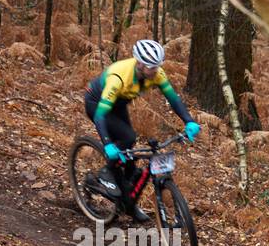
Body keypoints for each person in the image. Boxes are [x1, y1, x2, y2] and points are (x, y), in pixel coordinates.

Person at [83, 39, 201, 222]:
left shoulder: (155, 73)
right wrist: (107, 144)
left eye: (157, 66)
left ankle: (128, 204)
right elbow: (100, 116)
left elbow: (173, 99)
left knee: (130, 159)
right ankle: (105, 172)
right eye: (151, 67)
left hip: (119, 103)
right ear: (139, 63)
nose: (155, 70)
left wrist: (189, 121)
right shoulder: (118, 77)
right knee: (128, 138)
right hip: (97, 103)